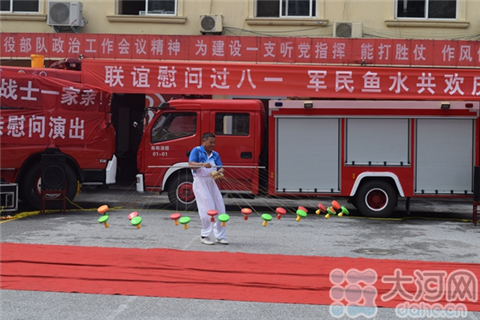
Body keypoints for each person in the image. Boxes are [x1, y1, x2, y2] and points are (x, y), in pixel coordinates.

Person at [188, 132, 228, 245]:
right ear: (203, 141)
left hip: (211, 182)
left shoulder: (215, 154)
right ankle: (205, 235)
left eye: (214, 142)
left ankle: (220, 236)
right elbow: (191, 165)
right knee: (208, 209)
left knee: (220, 208)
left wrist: (220, 171)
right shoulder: (196, 151)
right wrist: (202, 164)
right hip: (200, 182)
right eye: (210, 142)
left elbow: (220, 167)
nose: (212, 144)